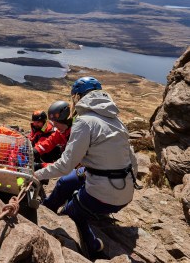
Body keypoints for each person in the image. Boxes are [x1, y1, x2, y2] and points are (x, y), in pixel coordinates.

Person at [35, 77, 139, 259]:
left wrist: (36, 174)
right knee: (66, 182)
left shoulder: (84, 122)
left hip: (103, 195)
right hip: (124, 191)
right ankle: (47, 207)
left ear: (78, 97)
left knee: (70, 213)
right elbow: (133, 160)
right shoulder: (116, 121)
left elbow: (65, 164)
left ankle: (92, 245)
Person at [34, 101, 72, 170]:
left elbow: (66, 165)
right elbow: (50, 141)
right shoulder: (62, 131)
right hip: (71, 165)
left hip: (84, 171)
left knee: (62, 181)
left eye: (56, 122)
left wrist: (42, 166)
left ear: (64, 120)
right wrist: (35, 150)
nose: (54, 125)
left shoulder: (76, 135)